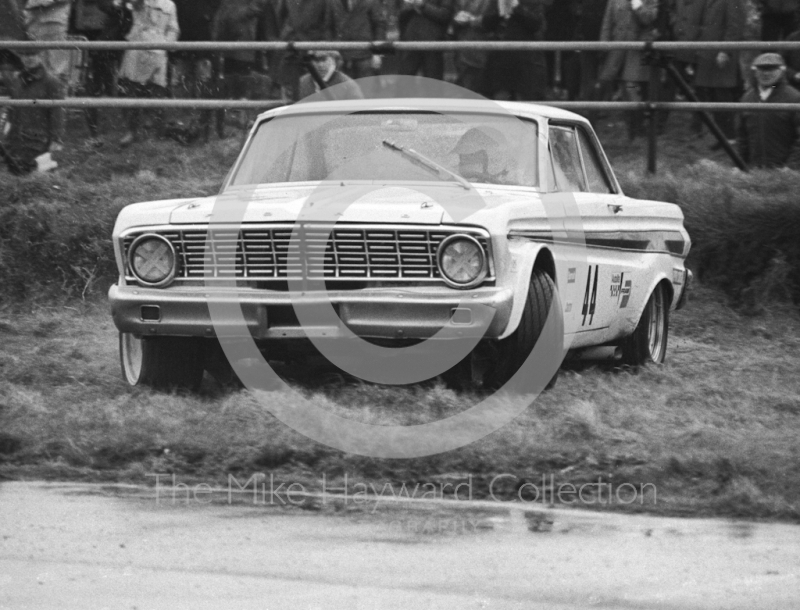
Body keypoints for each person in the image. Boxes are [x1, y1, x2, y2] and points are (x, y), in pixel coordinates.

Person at [117, 0, 180, 146]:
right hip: (137, 48)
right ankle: (131, 131)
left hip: (158, 50)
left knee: (158, 92)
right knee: (131, 91)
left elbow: (173, 28)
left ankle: (159, 132)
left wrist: (167, 42)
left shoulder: (169, 5)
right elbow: (130, 6)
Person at [72, 0, 133, 141]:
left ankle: (130, 130)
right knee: (94, 89)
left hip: (125, 45)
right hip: (105, 46)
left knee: (124, 88)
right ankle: (94, 134)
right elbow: (103, 5)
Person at [598, 0, 659, 140]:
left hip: (636, 50)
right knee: (611, 84)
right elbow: (607, 22)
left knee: (630, 87)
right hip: (617, 47)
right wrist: (603, 45)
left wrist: (638, 6)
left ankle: (636, 129)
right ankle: (630, 128)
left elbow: (649, 18)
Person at [0, 49, 64, 175]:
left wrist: (56, 138)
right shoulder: (18, 80)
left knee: (35, 172)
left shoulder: (51, 82)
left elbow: (57, 112)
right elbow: (13, 108)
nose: (28, 59)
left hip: (38, 137)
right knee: (14, 171)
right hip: (16, 136)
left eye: (32, 55)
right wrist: (6, 130)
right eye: (24, 55)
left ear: (40, 56)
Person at [692, 0, 745, 147]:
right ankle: (720, 135)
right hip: (708, 53)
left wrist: (725, 50)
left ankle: (729, 136)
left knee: (722, 93)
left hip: (721, 54)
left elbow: (735, 26)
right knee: (712, 93)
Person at [738, 52, 800, 167]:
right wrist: (740, 166)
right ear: (755, 72)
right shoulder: (747, 98)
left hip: (786, 172)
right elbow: (742, 138)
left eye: (771, 69)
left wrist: (791, 167)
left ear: (781, 71)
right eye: (761, 69)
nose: (766, 73)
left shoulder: (794, 97)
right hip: (755, 170)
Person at [481, 0, 550, 101]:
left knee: (524, 100)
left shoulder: (533, 2)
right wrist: (500, 12)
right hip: (499, 58)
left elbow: (536, 25)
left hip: (525, 60)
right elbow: (486, 25)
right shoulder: (496, 2)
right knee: (500, 99)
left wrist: (517, 8)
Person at [273, 0, 338, 101]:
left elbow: (328, 24)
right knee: (291, 91)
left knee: (316, 90)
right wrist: (289, 36)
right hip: (292, 50)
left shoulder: (325, 2)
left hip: (314, 50)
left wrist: (321, 47)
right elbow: (280, 19)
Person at [397, 0, 455, 80]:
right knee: (404, 81)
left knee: (433, 83)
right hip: (411, 43)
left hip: (433, 44)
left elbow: (445, 15)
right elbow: (401, 17)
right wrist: (408, 8)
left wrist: (423, 5)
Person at [332, 0, 387, 82]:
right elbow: (329, 25)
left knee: (366, 90)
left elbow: (380, 26)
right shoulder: (335, 2)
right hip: (342, 55)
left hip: (366, 55)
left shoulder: (372, 2)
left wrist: (378, 53)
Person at [22, 0, 72, 88]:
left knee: (55, 69)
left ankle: (56, 95)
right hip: (34, 16)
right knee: (36, 65)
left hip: (53, 15)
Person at [297, 49, 364, 99]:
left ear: (334, 60)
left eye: (324, 60)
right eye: (316, 60)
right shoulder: (302, 82)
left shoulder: (347, 84)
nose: (320, 65)